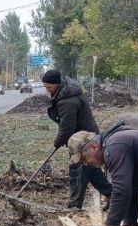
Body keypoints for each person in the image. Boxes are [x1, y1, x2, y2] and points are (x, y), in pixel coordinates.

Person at [42, 69, 113, 209]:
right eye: (45, 87)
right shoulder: (67, 93)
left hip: (83, 141)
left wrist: (58, 141)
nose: (47, 90)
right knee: (91, 170)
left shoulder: (67, 101)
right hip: (85, 136)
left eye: (49, 87)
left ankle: (75, 205)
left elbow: (67, 127)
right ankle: (111, 194)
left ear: (57, 84)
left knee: (77, 170)